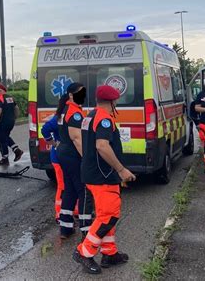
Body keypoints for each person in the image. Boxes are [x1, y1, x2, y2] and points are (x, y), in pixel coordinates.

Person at [73, 85, 136, 274]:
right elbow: (102, 146)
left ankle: (109, 253)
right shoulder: (104, 119)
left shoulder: (90, 115)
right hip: (103, 176)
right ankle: (84, 252)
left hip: (93, 173)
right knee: (108, 216)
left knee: (105, 215)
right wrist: (121, 169)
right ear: (113, 101)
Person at [56, 82, 93, 239]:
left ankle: (66, 228)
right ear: (71, 95)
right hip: (73, 154)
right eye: (79, 93)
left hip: (64, 153)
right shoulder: (75, 113)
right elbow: (77, 138)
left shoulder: (65, 109)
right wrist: (87, 158)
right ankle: (86, 229)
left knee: (70, 189)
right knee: (84, 190)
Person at [0, 83, 24, 165]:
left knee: (1, 138)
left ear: (0, 91)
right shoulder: (10, 98)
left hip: (3, 122)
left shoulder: (0, 99)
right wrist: (14, 117)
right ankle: (16, 151)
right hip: (11, 121)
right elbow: (17, 108)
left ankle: (5, 158)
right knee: (5, 137)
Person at [41, 114, 63, 222]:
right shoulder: (60, 117)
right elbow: (45, 129)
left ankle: (74, 211)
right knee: (63, 186)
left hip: (66, 157)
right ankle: (60, 214)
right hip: (60, 158)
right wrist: (54, 144)